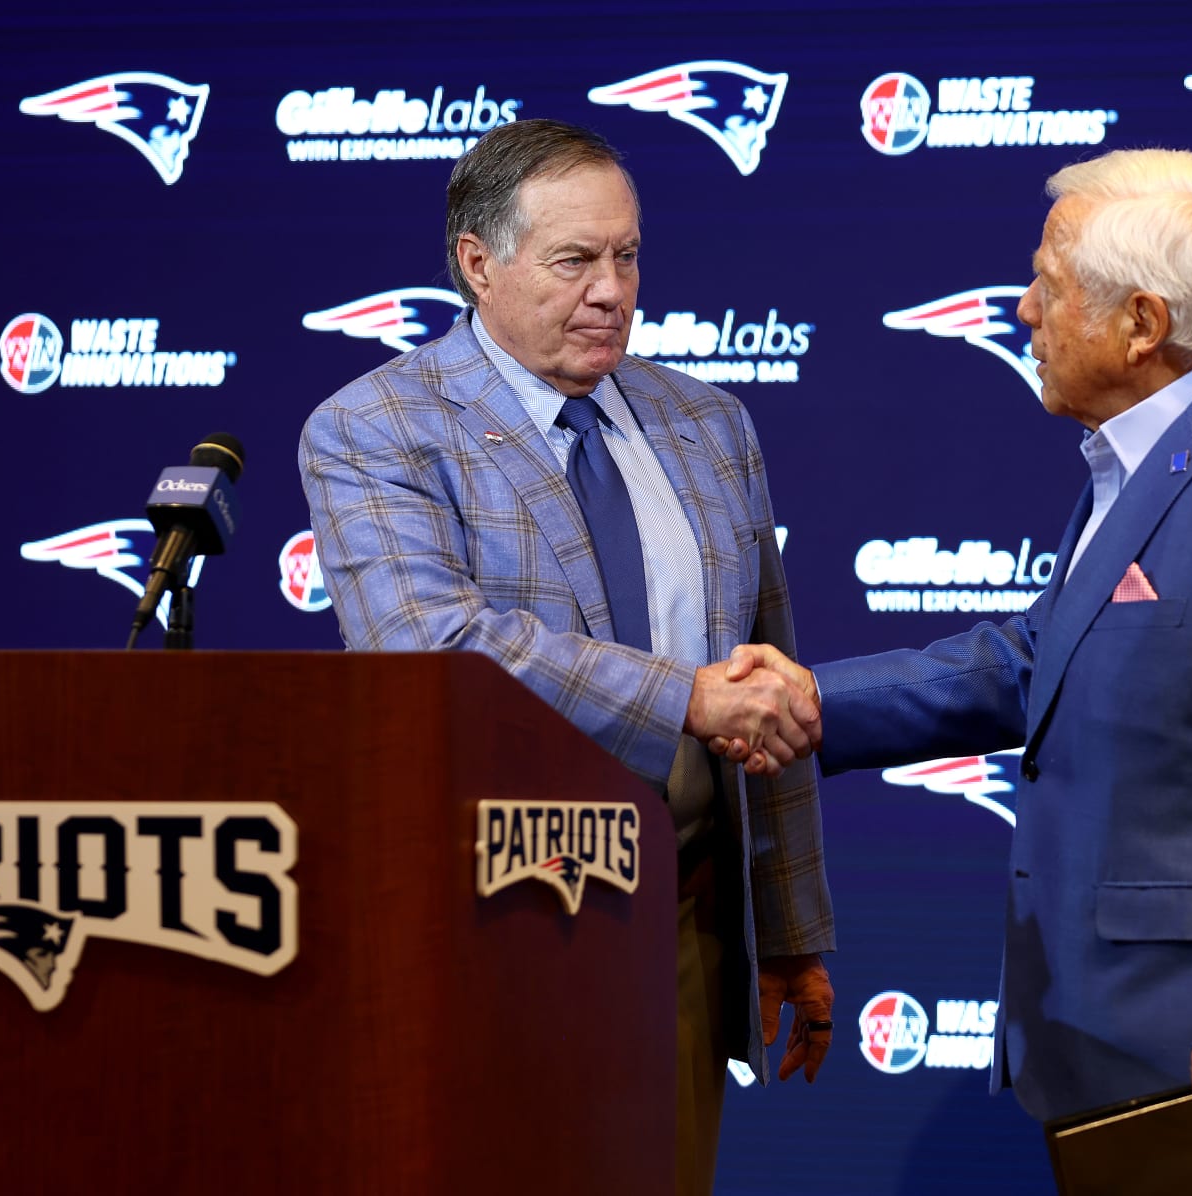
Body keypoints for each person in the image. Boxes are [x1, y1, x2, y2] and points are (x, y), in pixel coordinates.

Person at [722, 148, 1192, 1157]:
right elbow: (1046, 657)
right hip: (1117, 1037)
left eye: (1048, 286)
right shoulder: (1140, 457)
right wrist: (823, 699)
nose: (1026, 313)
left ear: (1142, 323)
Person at [298, 119, 835, 1196]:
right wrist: (679, 697)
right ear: (478, 262)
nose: (610, 291)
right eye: (574, 260)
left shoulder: (709, 424)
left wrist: (788, 928)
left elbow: (765, 681)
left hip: (679, 916)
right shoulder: (376, 427)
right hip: (483, 921)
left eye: (627, 256)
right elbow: (431, 645)